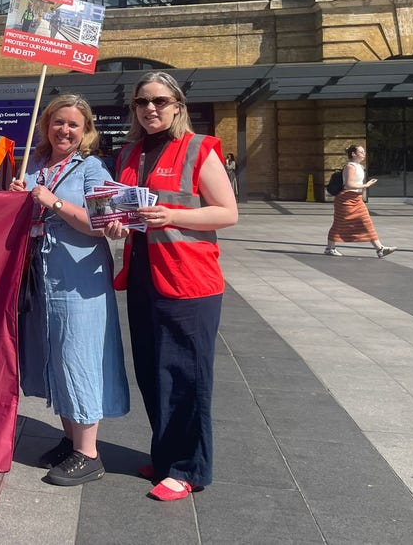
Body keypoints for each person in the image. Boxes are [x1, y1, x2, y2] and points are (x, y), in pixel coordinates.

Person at [102, 71, 237, 502]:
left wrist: (172, 216)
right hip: (144, 272)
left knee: (187, 376)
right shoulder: (129, 152)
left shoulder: (199, 148)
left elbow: (226, 213)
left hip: (189, 278)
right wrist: (119, 225)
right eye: (142, 102)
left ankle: (189, 468)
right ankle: (164, 457)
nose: (150, 109)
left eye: (160, 101)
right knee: (153, 371)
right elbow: (124, 209)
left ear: (177, 105)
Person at [9, 95, 129, 486]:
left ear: (86, 131)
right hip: (41, 276)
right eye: (58, 122)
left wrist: (53, 200)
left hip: (80, 279)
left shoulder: (91, 168)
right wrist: (16, 198)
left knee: (78, 356)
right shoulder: (36, 165)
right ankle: (69, 438)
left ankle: (89, 453)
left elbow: (101, 224)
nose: (65, 130)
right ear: (46, 124)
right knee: (55, 356)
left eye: (73, 125)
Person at [325, 144, 396, 258]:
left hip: (356, 199)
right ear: (353, 154)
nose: (364, 154)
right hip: (346, 199)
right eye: (361, 152)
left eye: (364, 152)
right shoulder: (350, 167)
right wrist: (366, 185)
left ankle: (380, 249)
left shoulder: (360, 167)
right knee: (339, 223)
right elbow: (349, 184)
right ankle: (330, 248)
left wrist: (361, 194)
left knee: (366, 221)